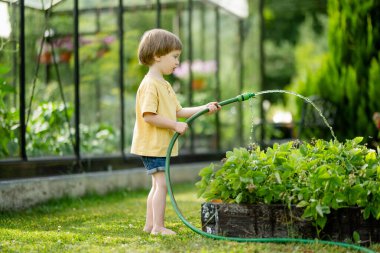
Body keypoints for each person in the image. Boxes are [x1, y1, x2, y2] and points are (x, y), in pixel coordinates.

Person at [131, 28, 221, 235]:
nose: (177, 62)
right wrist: (174, 125)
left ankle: (149, 225)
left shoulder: (164, 84)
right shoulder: (150, 85)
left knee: (156, 185)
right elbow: (148, 115)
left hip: (158, 145)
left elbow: (178, 111)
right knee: (162, 185)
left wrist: (203, 108)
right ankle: (158, 227)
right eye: (174, 57)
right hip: (152, 145)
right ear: (157, 55)